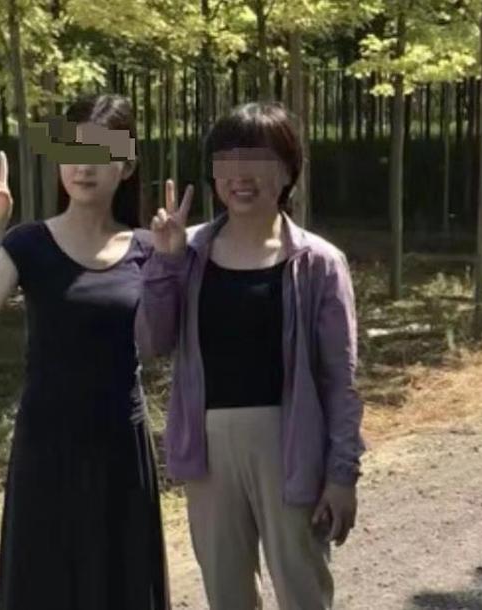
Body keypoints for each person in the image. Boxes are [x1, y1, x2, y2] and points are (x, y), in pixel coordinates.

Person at [135, 101, 365, 610]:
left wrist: (342, 473)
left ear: (287, 171)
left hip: (291, 442)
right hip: (208, 447)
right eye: (227, 160)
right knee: (226, 592)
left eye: (258, 160)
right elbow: (152, 342)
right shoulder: (187, 250)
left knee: (303, 589)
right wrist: (165, 263)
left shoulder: (319, 262)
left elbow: (340, 379)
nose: (241, 175)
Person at [0, 94, 169, 610]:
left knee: (120, 586)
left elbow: (162, 343)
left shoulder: (147, 248)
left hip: (120, 448)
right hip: (46, 448)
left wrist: (174, 259)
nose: (83, 167)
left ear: (126, 164)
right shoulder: (29, 243)